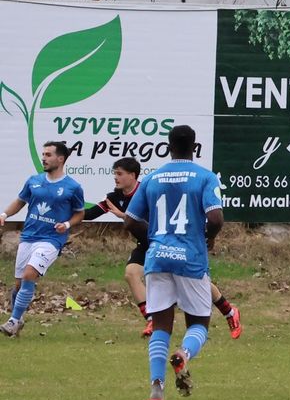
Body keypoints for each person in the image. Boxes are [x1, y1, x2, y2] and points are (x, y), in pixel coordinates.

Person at [83, 156, 242, 339]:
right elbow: (91, 213)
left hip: (167, 241)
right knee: (131, 273)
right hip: (147, 243)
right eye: (114, 174)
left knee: (198, 281)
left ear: (132, 175)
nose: (115, 178)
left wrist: (123, 215)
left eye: (119, 174)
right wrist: (67, 217)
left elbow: (154, 221)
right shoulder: (114, 197)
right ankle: (151, 319)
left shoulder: (149, 189)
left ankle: (229, 311)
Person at [121, 126, 224, 400]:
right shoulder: (204, 177)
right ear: (195, 146)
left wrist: (154, 238)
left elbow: (130, 221)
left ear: (168, 146)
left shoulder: (153, 178)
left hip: (157, 258)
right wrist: (209, 239)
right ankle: (183, 355)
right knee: (199, 323)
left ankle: (157, 386)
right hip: (190, 258)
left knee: (160, 326)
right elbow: (215, 219)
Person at [1, 141, 85, 338]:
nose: (44, 158)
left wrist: (67, 225)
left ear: (60, 158)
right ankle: (18, 320)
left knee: (30, 274)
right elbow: (20, 201)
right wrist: (5, 214)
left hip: (51, 240)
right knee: (19, 285)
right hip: (29, 236)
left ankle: (13, 320)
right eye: (43, 154)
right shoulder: (33, 181)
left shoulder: (73, 187)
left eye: (48, 154)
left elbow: (80, 213)